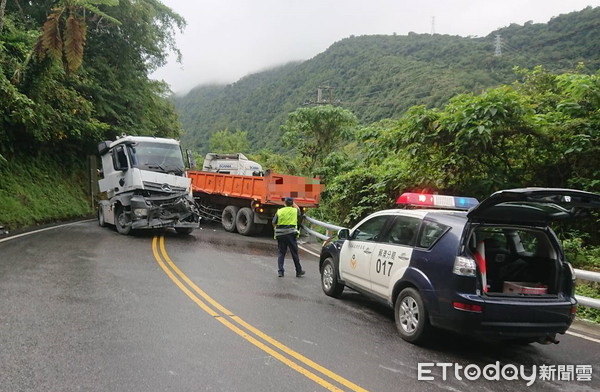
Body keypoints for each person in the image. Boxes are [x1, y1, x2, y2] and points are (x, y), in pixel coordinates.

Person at [272, 197, 305, 277]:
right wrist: (293, 203)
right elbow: (298, 209)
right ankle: (298, 271)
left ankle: (280, 271)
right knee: (294, 253)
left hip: (280, 234)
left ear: (284, 203)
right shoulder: (295, 211)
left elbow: (273, 222)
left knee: (281, 253)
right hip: (291, 234)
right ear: (292, 203)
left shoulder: (279, 211)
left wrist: (276, 228)